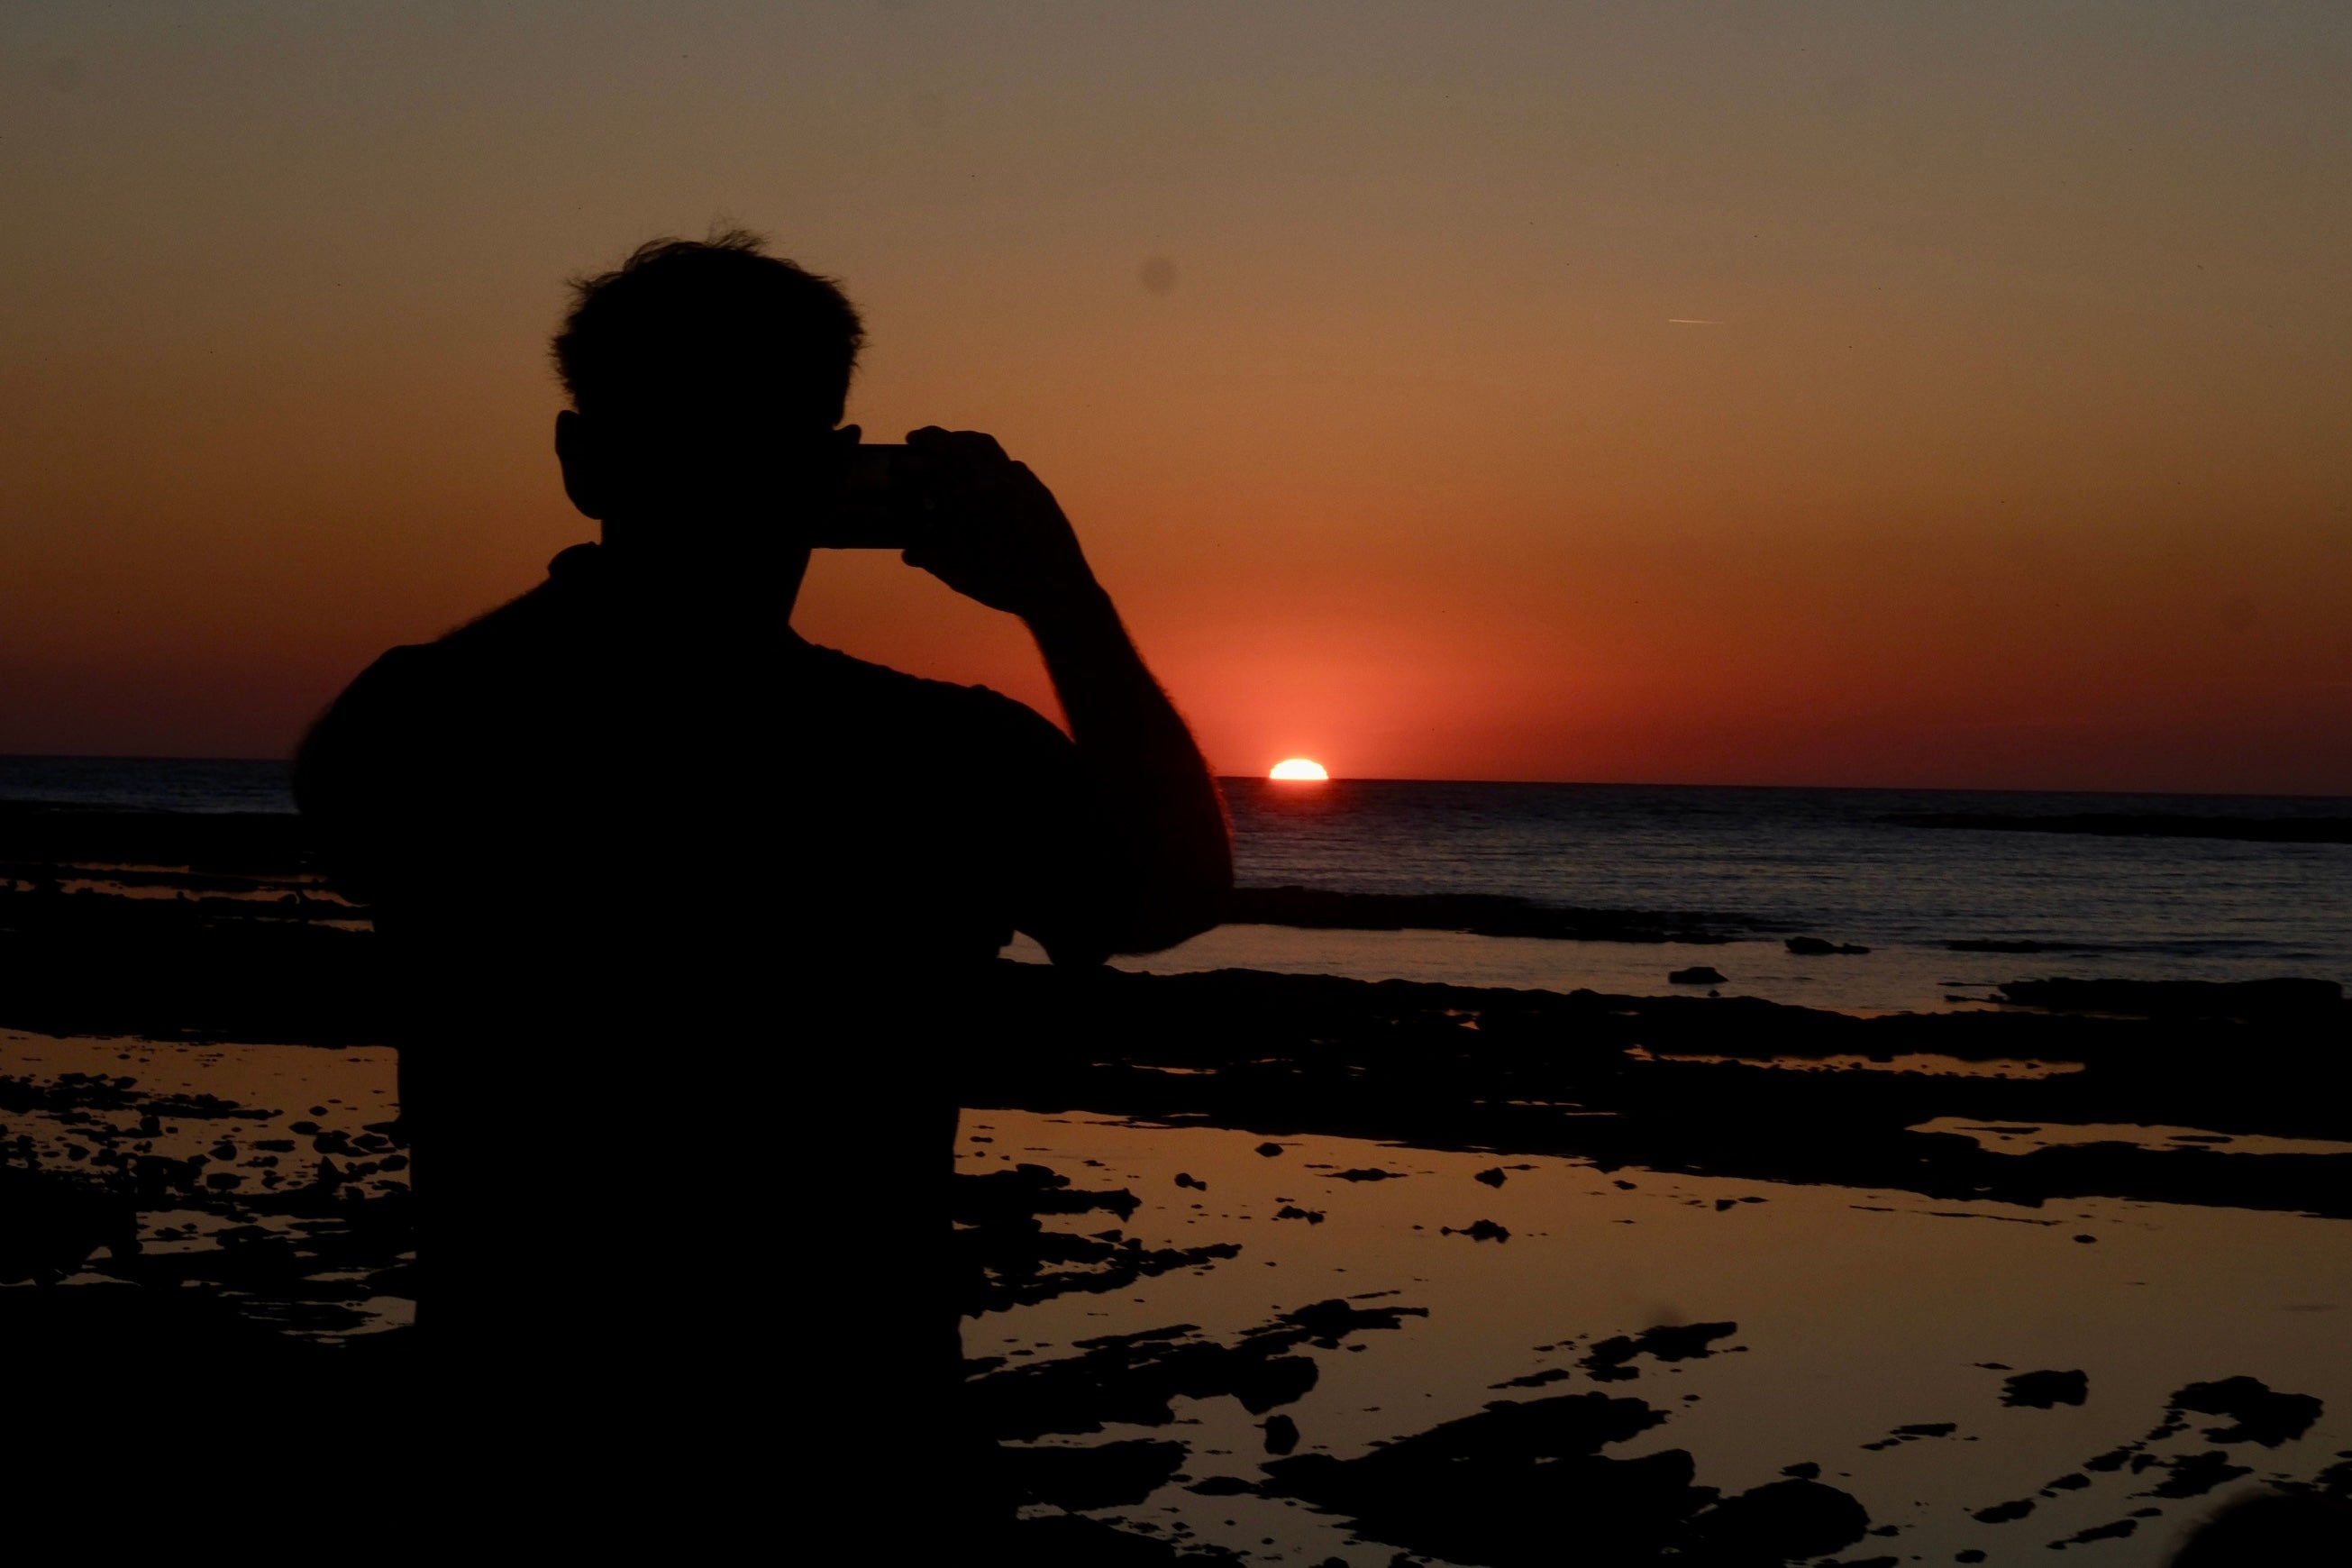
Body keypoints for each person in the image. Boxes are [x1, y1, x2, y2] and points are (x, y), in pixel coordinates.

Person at [295, 232, 1231, 1535]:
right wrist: (1061, 600)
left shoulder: (434, 725)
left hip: (522, 1452)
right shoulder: (937, 759)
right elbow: (1169, 892)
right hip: (850, 1456)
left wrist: (620, 566)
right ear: (833, 469)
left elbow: (351, 785)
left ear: (581, 462)